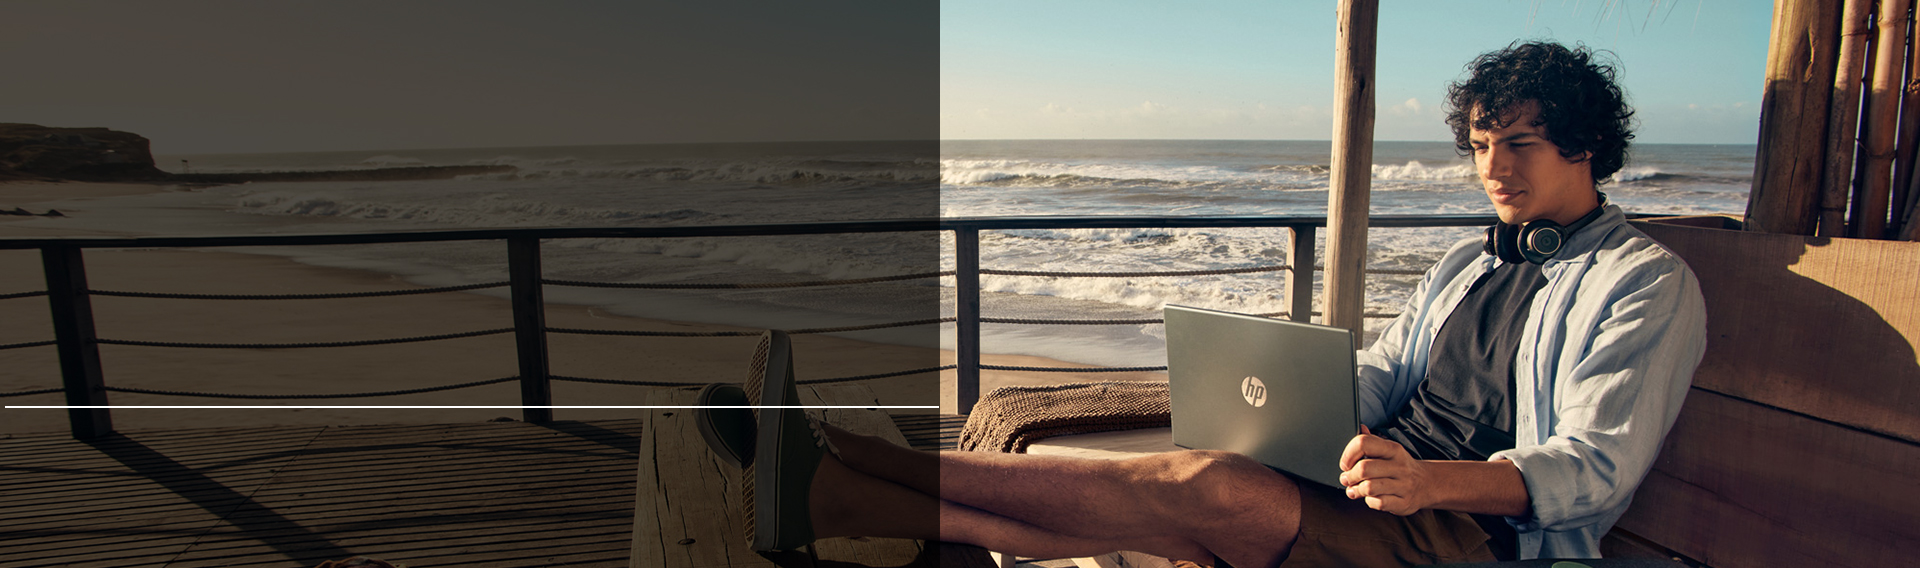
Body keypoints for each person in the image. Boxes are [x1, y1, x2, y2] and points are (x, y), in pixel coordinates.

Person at [696, 40, 1707, 567]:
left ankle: (837, 459)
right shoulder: (1468, 264)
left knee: (1196, 488)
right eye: (1480, 143)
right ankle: (831, 488)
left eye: (1517, 143)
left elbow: (1594, 469)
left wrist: (1430, 483)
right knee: (1182, 487)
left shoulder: (1642, 284)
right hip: (1373, 491)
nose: (1493, 166)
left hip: (1465, 536)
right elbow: (1384, 374)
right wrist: (1306, 406)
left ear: (1584, 145)